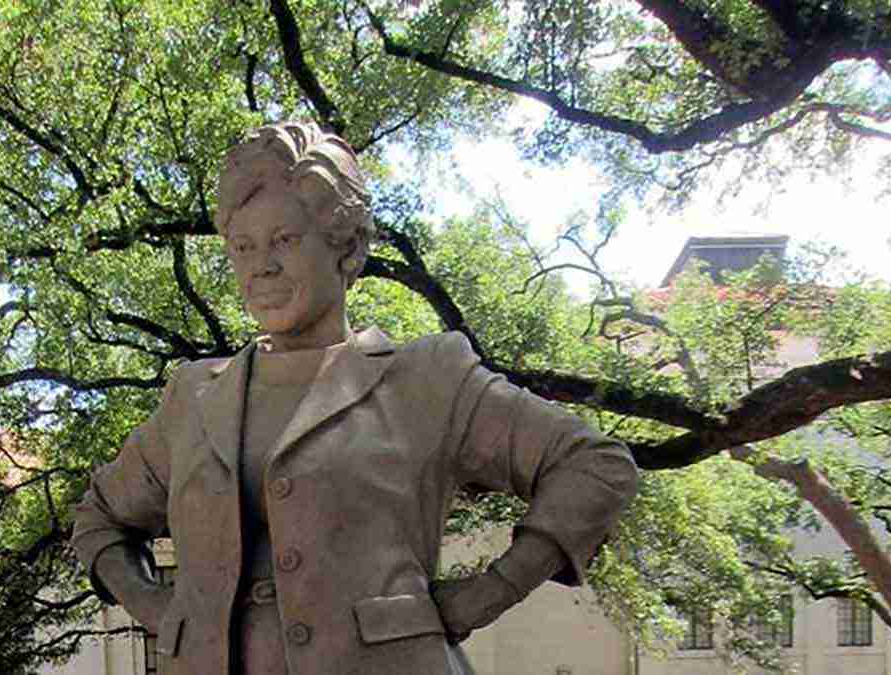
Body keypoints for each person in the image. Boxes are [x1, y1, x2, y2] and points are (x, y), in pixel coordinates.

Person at [71, 121, 638, 675]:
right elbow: (99, 517)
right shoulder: (193, 397)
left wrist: (490, 592)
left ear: (346, 246)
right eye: (242, 246)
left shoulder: (427, 379)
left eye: (284, 240)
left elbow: (594, 465)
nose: (260, 266)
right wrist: (160, 610)